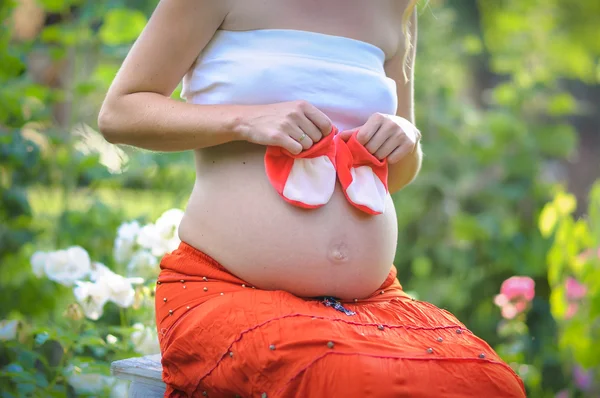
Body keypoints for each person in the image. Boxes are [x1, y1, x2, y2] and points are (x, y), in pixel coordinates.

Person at [98, 0, 527, 397]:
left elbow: (396, 175)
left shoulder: (397, 6)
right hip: (229, 290)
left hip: (369, 303)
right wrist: (244, 120)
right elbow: (120, 112)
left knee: (490, 384)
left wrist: (406, 138)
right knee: (343, 380)